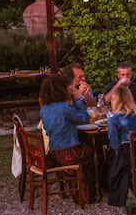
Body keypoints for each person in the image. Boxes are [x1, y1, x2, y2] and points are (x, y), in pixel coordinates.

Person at [39, 73, 95, 205]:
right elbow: (85, 119)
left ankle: (77, 186)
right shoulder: (64, 108)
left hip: (53, 152)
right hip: (69, 153)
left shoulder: (44, 109)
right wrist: (78, 99)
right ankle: (88, 193)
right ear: (62, 90)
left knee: (84, 143)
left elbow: (47, 128)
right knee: (90, 149)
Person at [106, 86, 136, 210]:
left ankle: (118, 191)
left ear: (115, 100)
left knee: (110, 157)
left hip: (127, 159)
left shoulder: (114, 119)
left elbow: (114, 145)